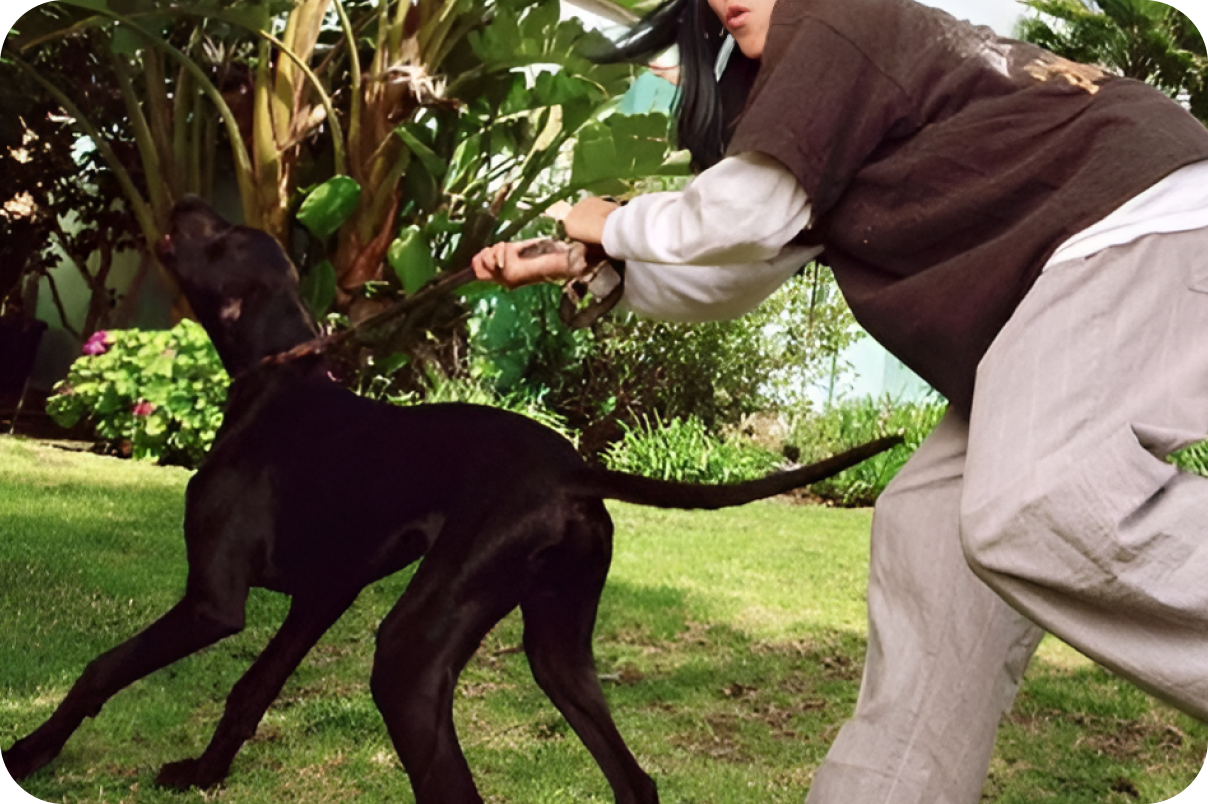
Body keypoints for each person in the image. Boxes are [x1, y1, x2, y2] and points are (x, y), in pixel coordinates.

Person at [473, 1, 1208, 801]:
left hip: (1148, 220)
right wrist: (591, 265)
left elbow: (742, 217)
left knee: (1038, 500)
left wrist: (610, 221)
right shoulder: (808, 90)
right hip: (1058, 285)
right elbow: (738, 265)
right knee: (928, 534)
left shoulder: (837, 20)